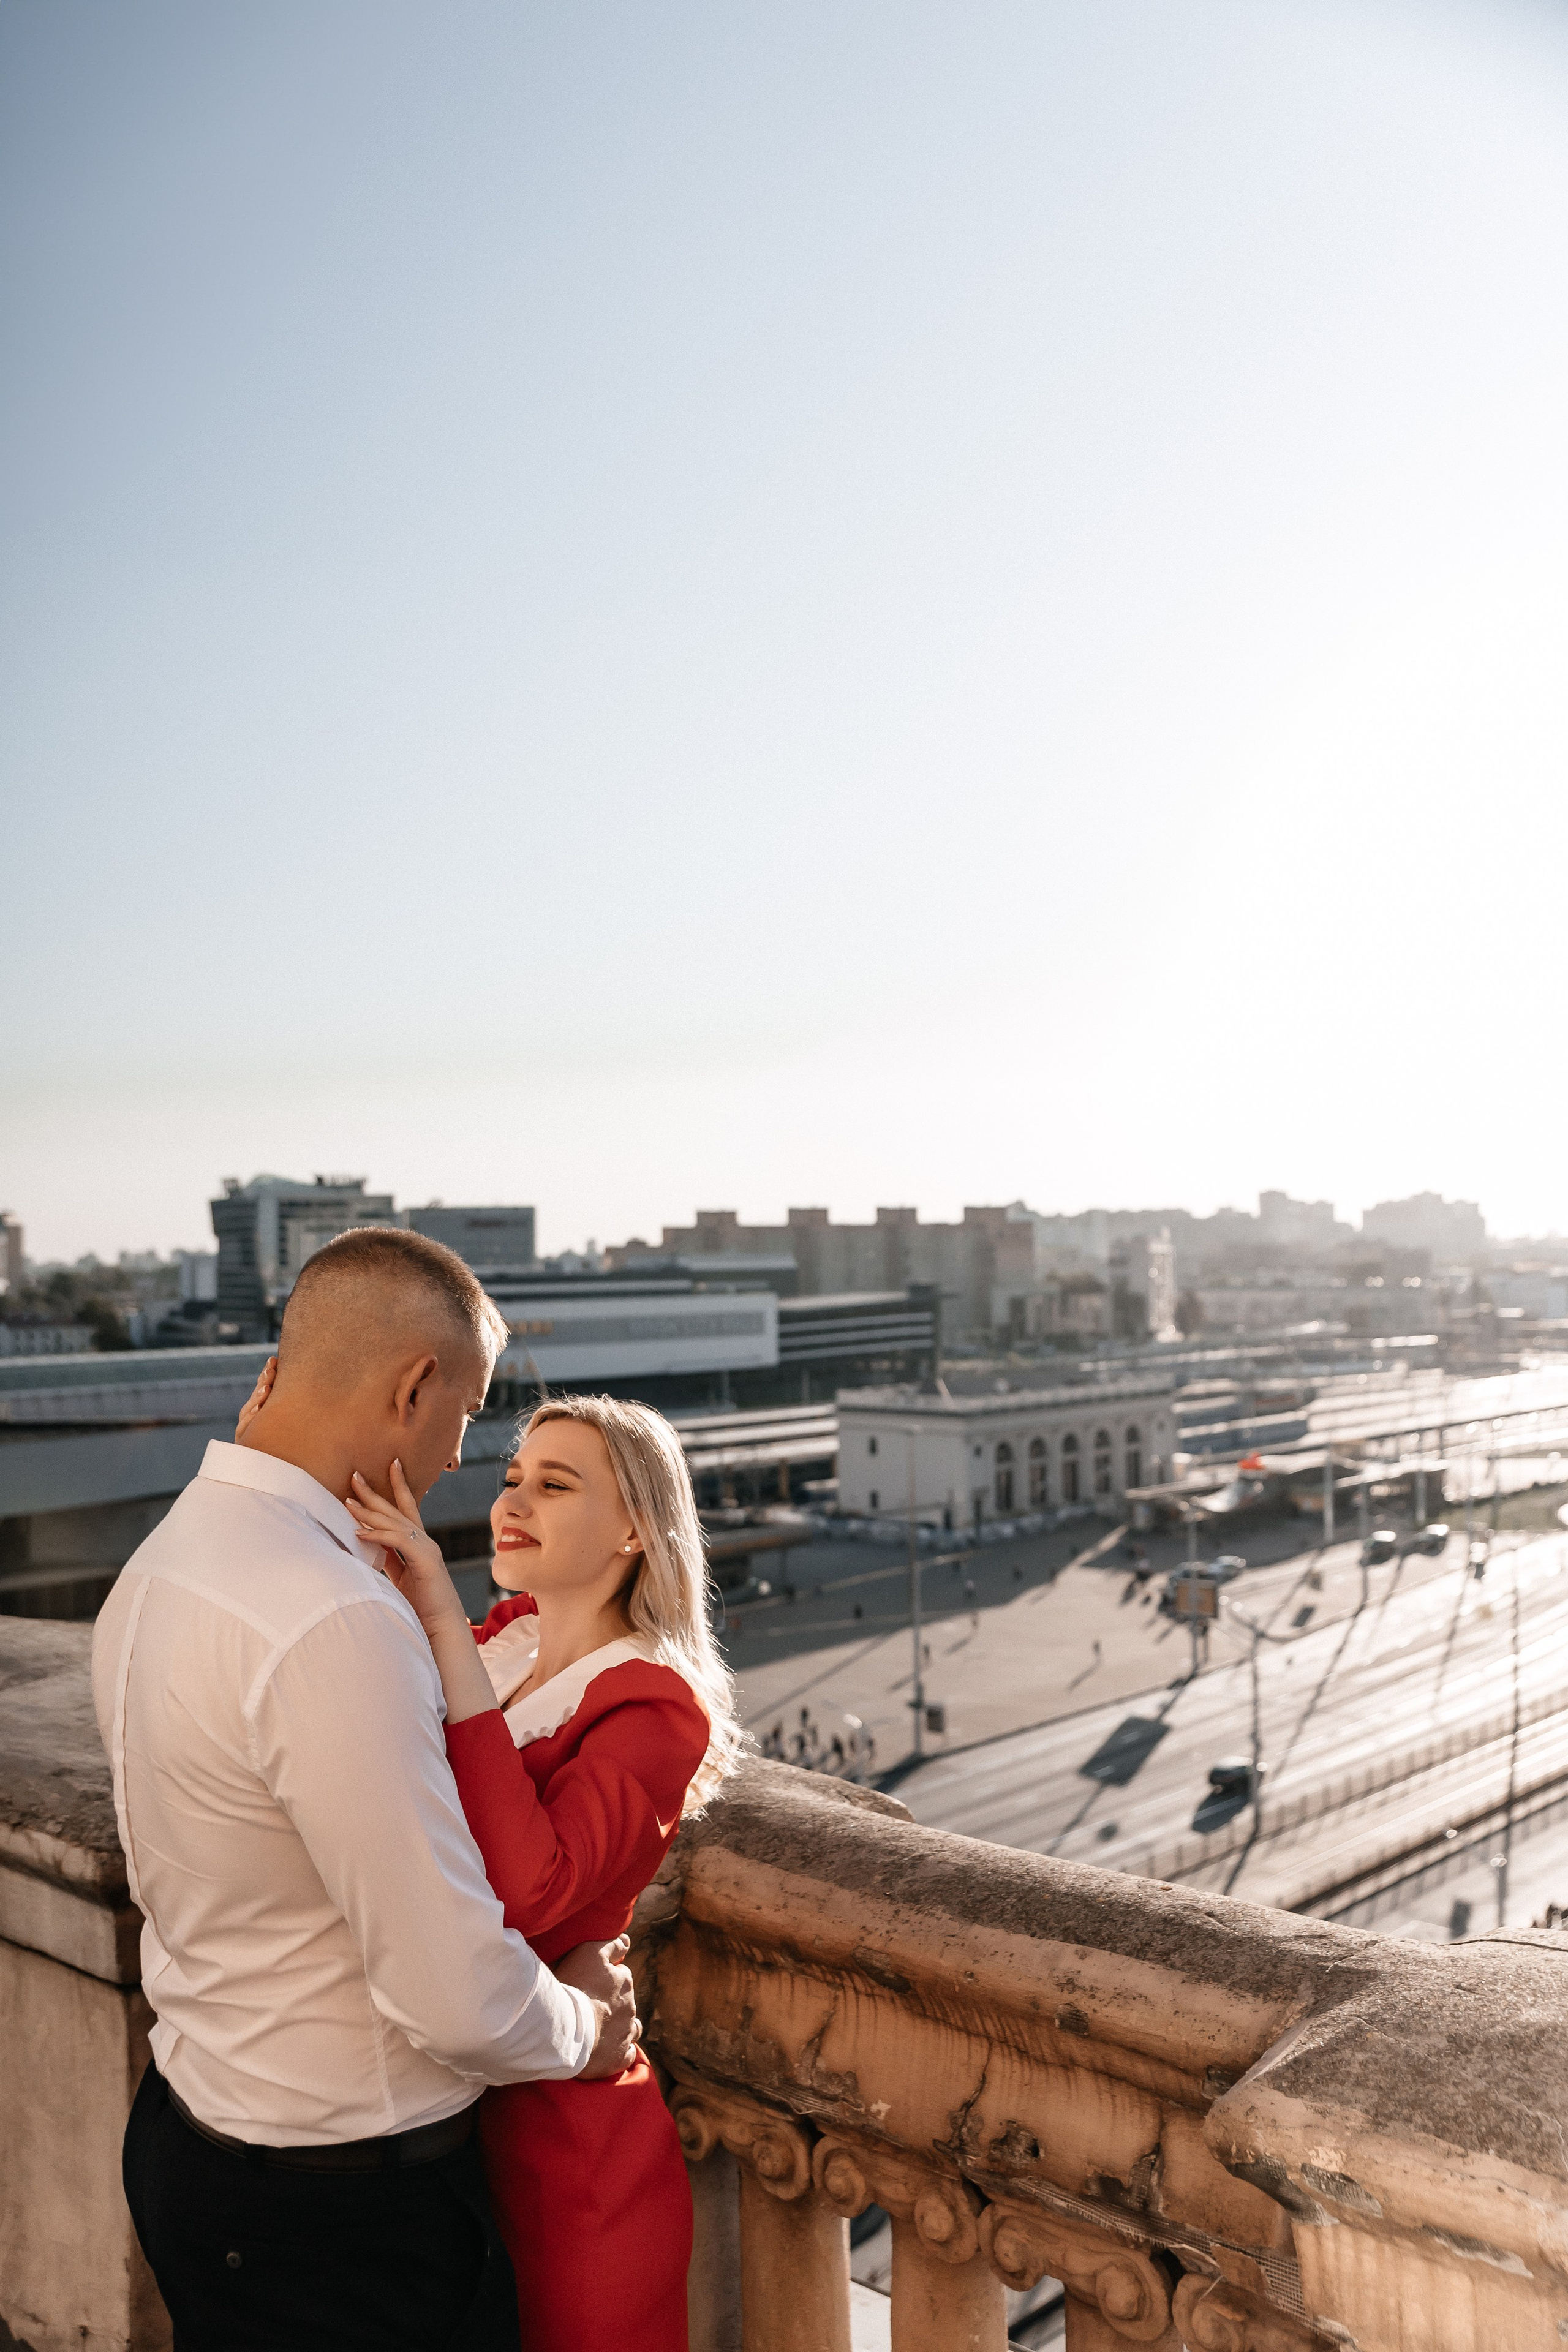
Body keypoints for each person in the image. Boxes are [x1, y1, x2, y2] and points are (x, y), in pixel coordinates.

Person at [92, 1229, 638, 2352]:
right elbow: (451, 1990)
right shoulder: (328, 1616)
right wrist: (589, 2030)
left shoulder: (159, 1564)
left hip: (195, 2142)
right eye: (471, 1416)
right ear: (413, 1389)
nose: (456, 1460)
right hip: (339, 2220)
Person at [338, 1390, 742, 2352]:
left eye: (555, 1486)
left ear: (635, 1531)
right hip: (449, 2108)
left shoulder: (654, 1705)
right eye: (513, 1477)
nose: (512, 1502)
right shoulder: (503, 1645)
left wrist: (436, 1607)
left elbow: (532, 1894)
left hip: (568, 2147)